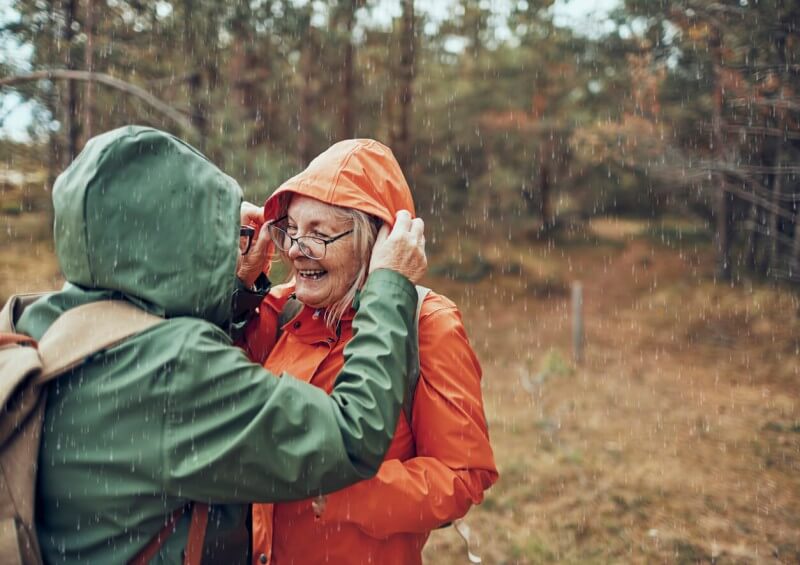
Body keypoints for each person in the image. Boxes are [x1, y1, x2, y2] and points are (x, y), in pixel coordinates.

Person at [15, 126, 427, 564]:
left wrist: (234, 287)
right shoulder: (175, 369)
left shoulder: (38, 322)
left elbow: (151, 330)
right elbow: (351, 437)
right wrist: (389, 288)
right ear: (181, 237)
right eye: (215, 229)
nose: (295, 248)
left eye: (319, 233)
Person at [241, 139, 498, 565]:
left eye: (319, 234)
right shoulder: (281, 307)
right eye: (292, 229)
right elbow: (211, 384)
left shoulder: (426, 323)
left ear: (375, 242)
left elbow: (462, 475)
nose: (295, 249)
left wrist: (345, 490)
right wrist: (239, 286)